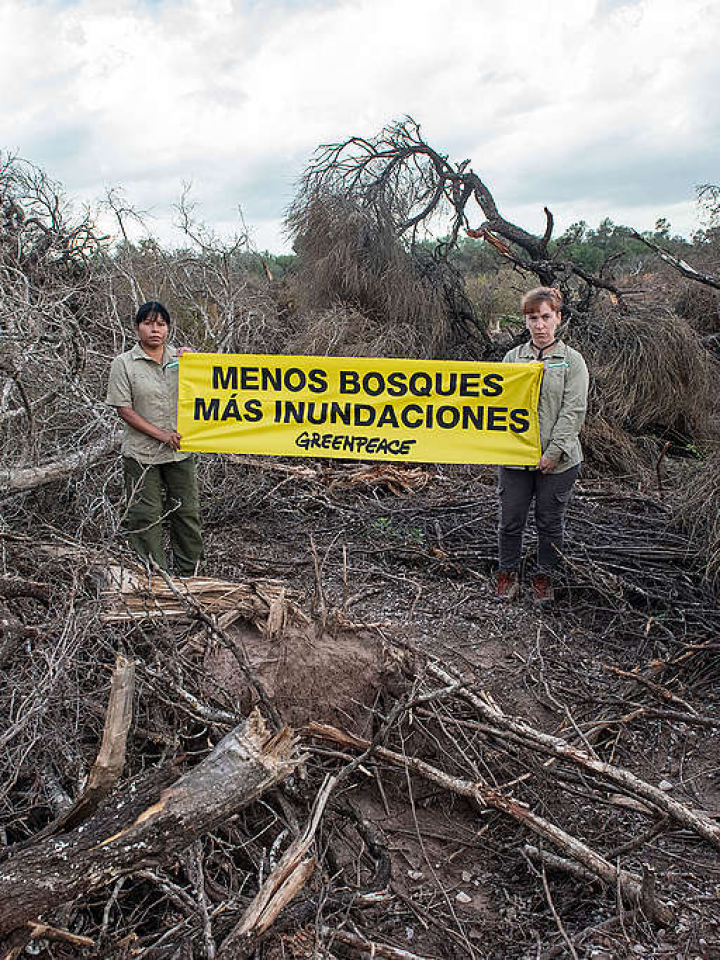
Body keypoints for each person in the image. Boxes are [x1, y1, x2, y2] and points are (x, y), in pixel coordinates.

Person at [497, 287, 588, 603]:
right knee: (511, 521)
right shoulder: (512, 358)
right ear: (525, 321)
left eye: (545, 317)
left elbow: (574, 411)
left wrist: (553, 453)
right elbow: (498, 406)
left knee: (549, 523)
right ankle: (507, 575)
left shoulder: (572, 362)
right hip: (516, 460)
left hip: (559, 462)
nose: (539, 324)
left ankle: (543, 579)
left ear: (558, 318)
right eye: (533, 318)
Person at [106, 301, 203, 576]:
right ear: (137, 327)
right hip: (141, 453)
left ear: (168, 328)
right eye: (148, 323)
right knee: (146, 517)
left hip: (180, 453)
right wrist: (161, 435)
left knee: (187, 513)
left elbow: (207, 390)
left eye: (160, 324)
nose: (155, 330)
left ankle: (191, 574)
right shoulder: (123, 364)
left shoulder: (181, 360)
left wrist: (198, 363)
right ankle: (154, 578)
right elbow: (123, 409)